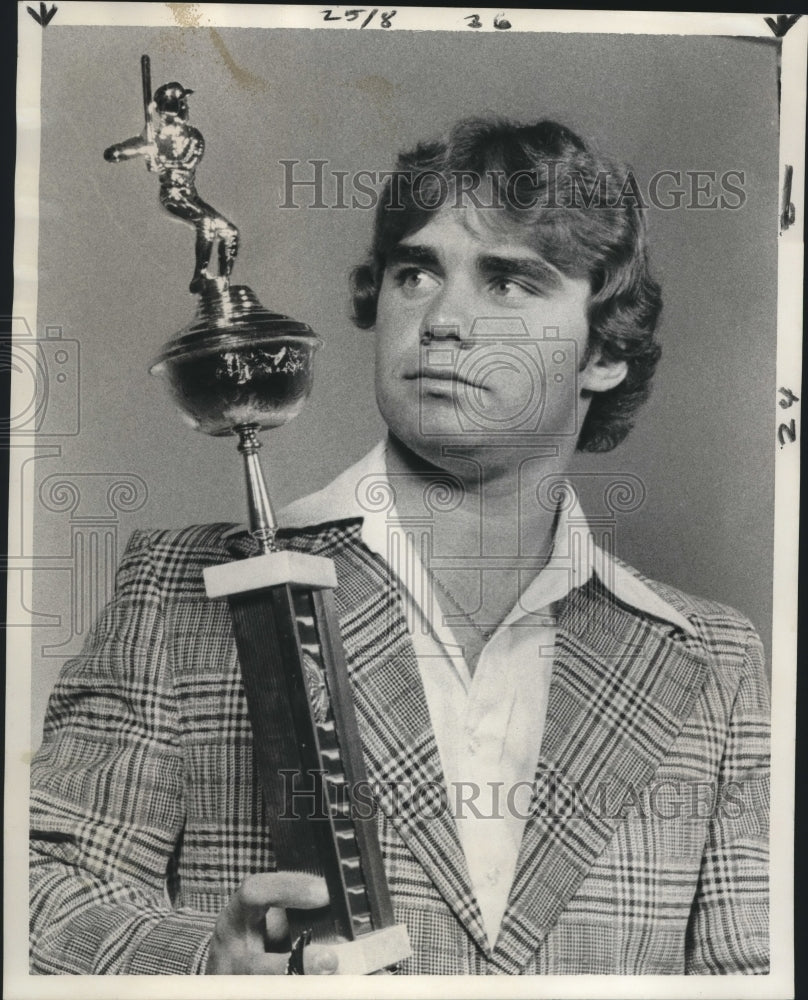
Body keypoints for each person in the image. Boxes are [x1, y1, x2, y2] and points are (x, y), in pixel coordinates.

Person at [30, 117, 770, 976]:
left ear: (603, 352)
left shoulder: (713, 662)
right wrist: (209, 967)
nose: (444, 319)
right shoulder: (186, 592)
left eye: (510, 283)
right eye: (415, 272)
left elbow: (746, 976)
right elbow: (45, 895)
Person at [104, 81, 239, 293]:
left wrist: (158, 156)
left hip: (190, 195)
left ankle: (223, 283)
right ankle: (200, 276)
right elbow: (116, 153)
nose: (186, 107)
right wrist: (128, 150)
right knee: (204, 222)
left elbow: (189, 161)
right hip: (172, 195)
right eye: (182, 103)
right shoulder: (153, 137)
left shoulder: (193, 137)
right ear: (173, 107)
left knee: (230, 233)